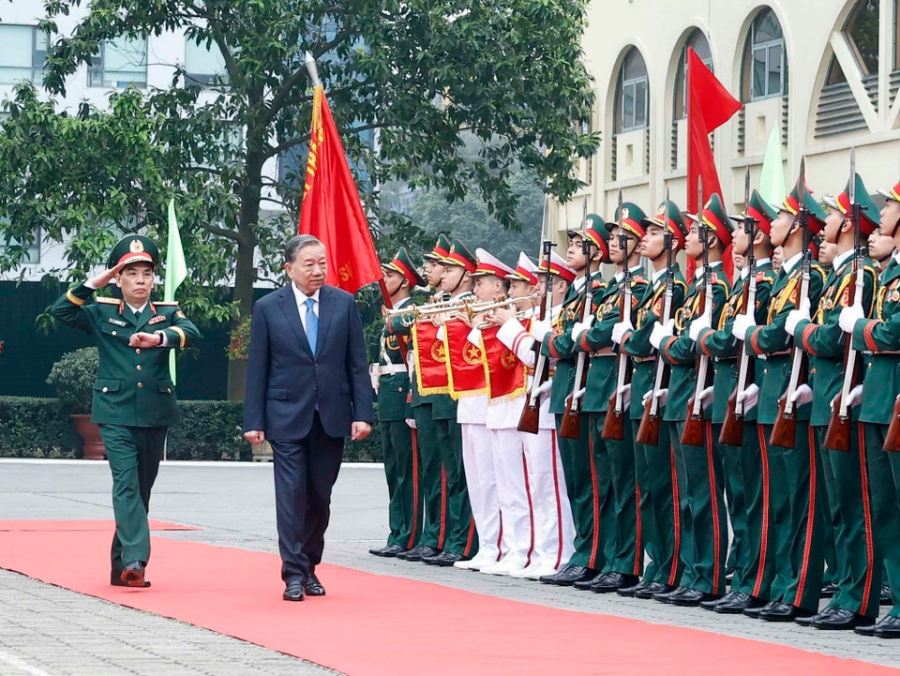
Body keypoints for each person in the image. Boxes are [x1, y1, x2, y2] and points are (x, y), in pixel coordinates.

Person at [51, 235, 200, 589]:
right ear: (118, 279)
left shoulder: (166, 312)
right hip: (114, 412)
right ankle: (137, 559)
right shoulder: (102, 310)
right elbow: (61, 311)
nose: (140, 281)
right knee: (125, 483)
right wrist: (92, 284)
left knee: (141, 489)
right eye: (130, 274)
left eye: (146, 274)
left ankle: (121, 569)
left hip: (154, 412)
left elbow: (191, 331)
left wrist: (159, 338)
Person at [243, 234, 374, 602]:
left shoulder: (343, 304)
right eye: (309, 264)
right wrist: (253, 420)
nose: (317, 271)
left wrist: (363, 413)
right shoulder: (269, 307)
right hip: (285, 416)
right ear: (289, 268)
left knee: (319, 496)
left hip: (331, 416)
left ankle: (311, 565)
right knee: (290, 496)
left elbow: (356, 364)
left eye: (321, 263)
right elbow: (258, 367)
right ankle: (293, 574)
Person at [732, 180, 828, 622]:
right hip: (771, 394)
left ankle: (799, 591)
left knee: (799, 501)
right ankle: (776, 583)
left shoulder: (812, 277)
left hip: (796, 397)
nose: (771, 224)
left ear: (798, 228)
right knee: (775, 500)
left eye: (780, 217)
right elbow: (774, 331)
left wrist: (754, 335)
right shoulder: (786, 278)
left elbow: (781, 332)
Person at [614, 201, 689, 600]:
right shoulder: (655, 286)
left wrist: (629, 338)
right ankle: (656, 564)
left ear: (673, 241)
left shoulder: (672, 287)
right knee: (647, 486)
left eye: (656, 233)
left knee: (665, 487)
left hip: (659, 388)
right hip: (643, 387)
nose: (644, 238)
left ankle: (670, 567)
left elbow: (645, 339)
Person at [573, 207, 648, 594]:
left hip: (620, 384)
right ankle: (603, 557)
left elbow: (601, 335)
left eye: (624, 236)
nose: (616, 242)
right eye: (614, 235)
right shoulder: (613, 289)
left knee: (625, 483)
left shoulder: (636, 288)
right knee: (602, 482)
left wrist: (591, 334)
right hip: (599, 386)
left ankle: (627, 562)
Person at [843, 179, 900, 638]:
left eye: (889, 208)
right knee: (882, 508)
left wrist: (861, 325)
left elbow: (893, 333)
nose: (879, 216)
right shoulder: (886, 275)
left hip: (896, 396)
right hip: (879, 398)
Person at [369, 247, 425, 558]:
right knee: (393, 468)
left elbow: (413, 357)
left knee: (409, 470)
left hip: (404, 388)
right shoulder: (392, 314)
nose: (384, 280)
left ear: (404, 281)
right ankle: (397, 531)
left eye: (389, 276)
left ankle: (410, 534)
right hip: (388, 392)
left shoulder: (411, 311)